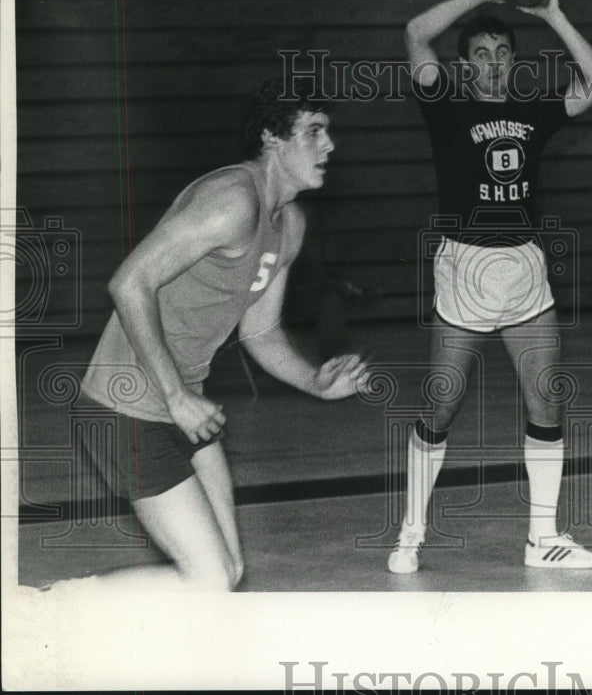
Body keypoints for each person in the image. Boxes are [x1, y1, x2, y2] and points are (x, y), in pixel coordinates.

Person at [67, 77, 370, 592]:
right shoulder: (233, 200)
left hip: (186, 410)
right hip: (127, 408)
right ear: (273, 138)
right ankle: (60, 606)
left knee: (227, 574)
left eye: (328, 132)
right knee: (208, 579)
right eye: (314, 132)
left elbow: (262, 332)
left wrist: (315, 382)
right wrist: (175, 395)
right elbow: (129, 282)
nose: (329, 145)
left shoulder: (289, 223)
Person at [388, 0, 592, 573]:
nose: (491, 64)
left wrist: (554, 13)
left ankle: (543, 539)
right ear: (465, 64)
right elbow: (414, 33)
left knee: (546, 400)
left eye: (502, 53)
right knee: (441, 406)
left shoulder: (535, 110)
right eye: (480, 54)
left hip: (525, 269)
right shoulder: (444, 106)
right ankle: (411, 531)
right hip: (465, 267)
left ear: (514, 62)